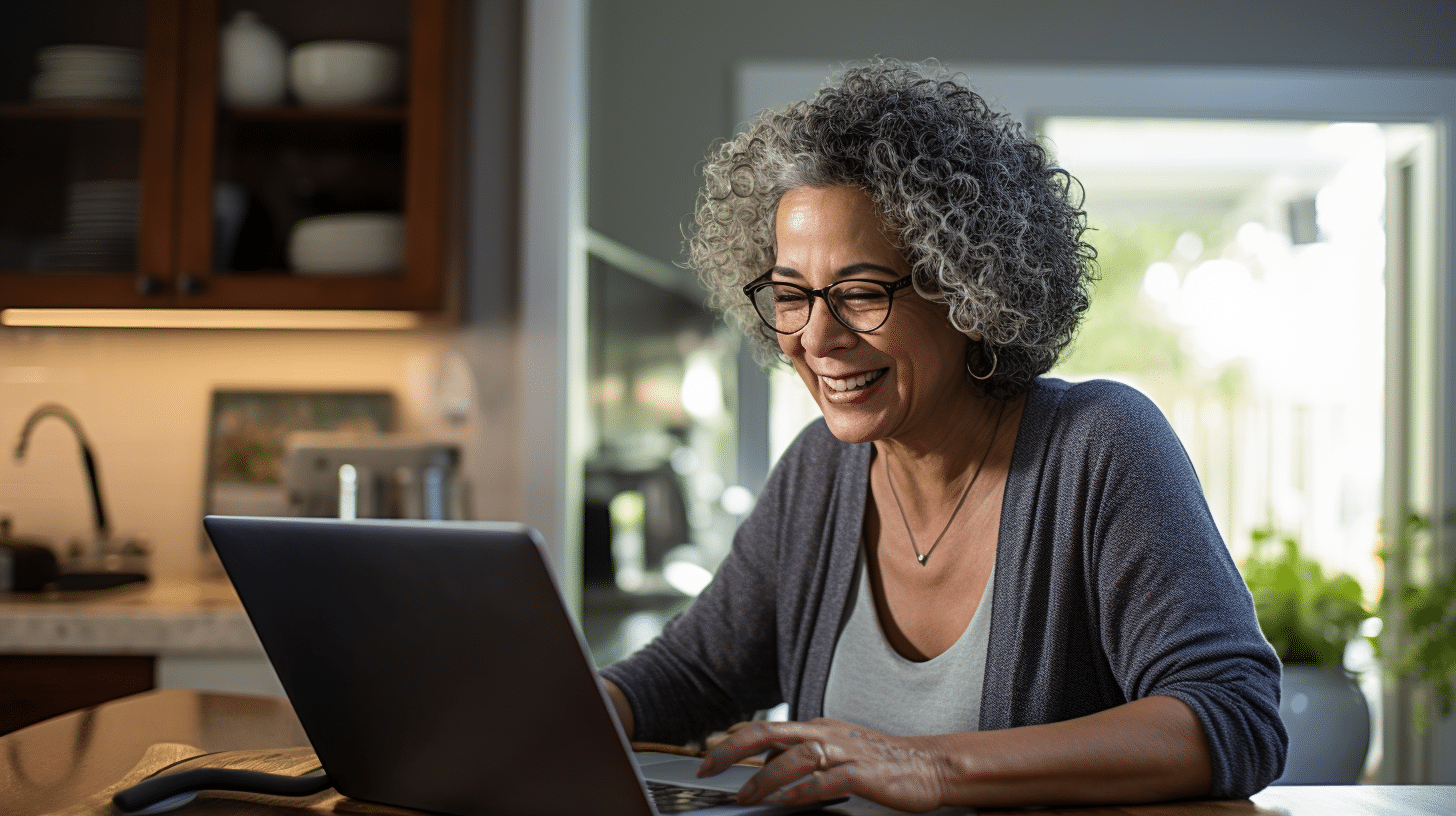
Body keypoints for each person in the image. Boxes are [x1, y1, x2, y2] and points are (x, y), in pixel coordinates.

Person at [599, 59, 1286, 811]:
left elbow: (1234, 717)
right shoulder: (819, 472)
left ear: (967, 293)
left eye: (860, 293)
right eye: (791, 295)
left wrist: (928, 766)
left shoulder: (1100, 446)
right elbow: (693, 676)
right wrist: (555, 710)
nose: (818, 337)